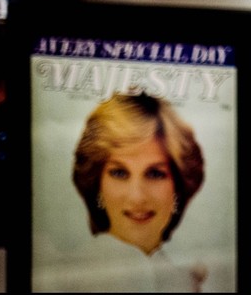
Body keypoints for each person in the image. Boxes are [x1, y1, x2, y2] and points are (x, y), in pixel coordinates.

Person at [69, 93, 208, 292]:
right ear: (97, 185)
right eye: (119, 173)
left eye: (155, 173)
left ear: (178, 188)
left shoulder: (187, 282)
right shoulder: (68, 276)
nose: (137, 196)